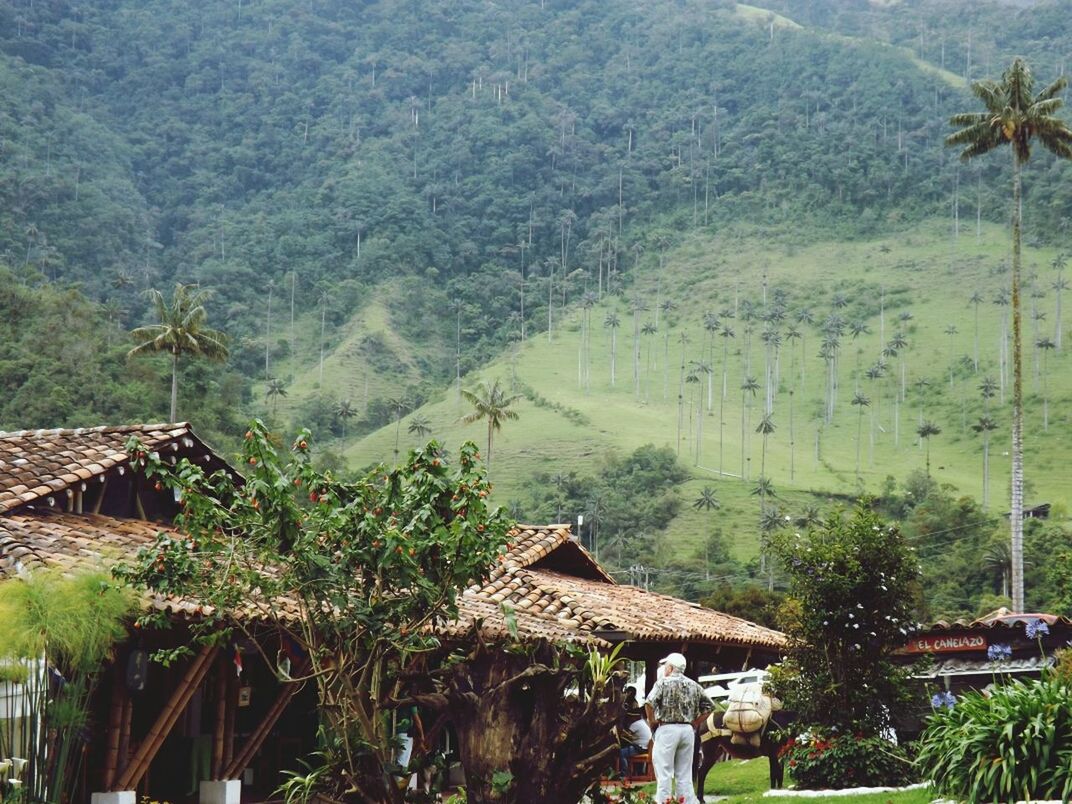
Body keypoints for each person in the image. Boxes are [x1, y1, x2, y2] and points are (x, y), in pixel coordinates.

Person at [644, 652, 714, 804]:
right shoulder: (693, 685)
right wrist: (695, 722)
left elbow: (649, 703)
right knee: (684, 772)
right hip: (687, 731)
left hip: (667, 729)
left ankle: (664, 801)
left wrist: (652, 721)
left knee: (664, 771)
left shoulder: (663, 683)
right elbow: (710, 706)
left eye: (665, 666)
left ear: (670, 668)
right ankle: (686, 801)